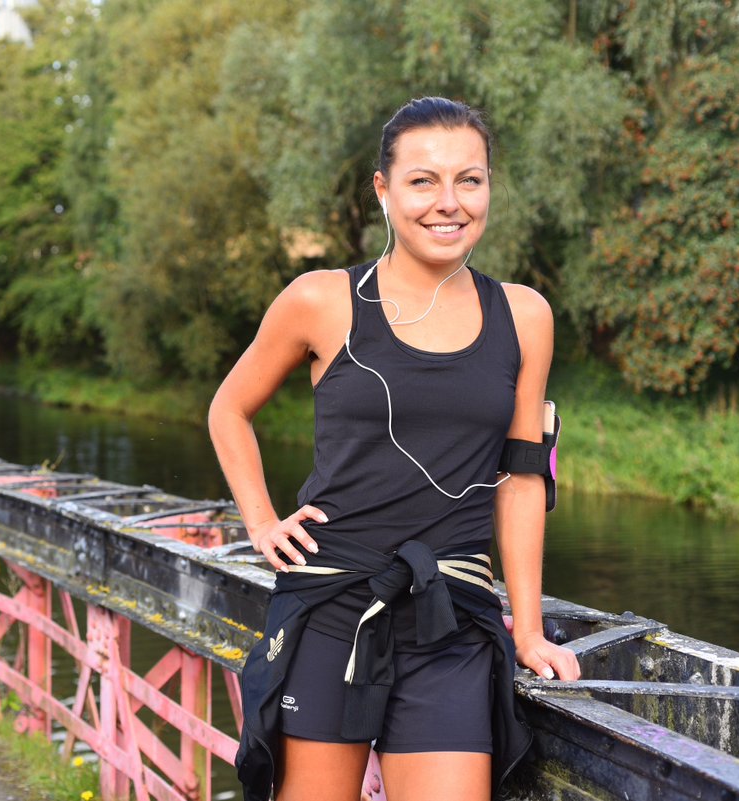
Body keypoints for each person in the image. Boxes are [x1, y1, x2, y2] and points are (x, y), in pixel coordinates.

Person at [208, 97, 581, 801]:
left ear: (489, 188)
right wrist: (261, 522)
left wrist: (527, 630)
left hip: (452, 620)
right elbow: (230, 406)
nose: (449, 202)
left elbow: (524, 478)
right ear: (383, 191)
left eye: (469, 180)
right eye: (422, 181)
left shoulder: (524, 316)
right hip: (331, 602)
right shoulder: (322, 301)